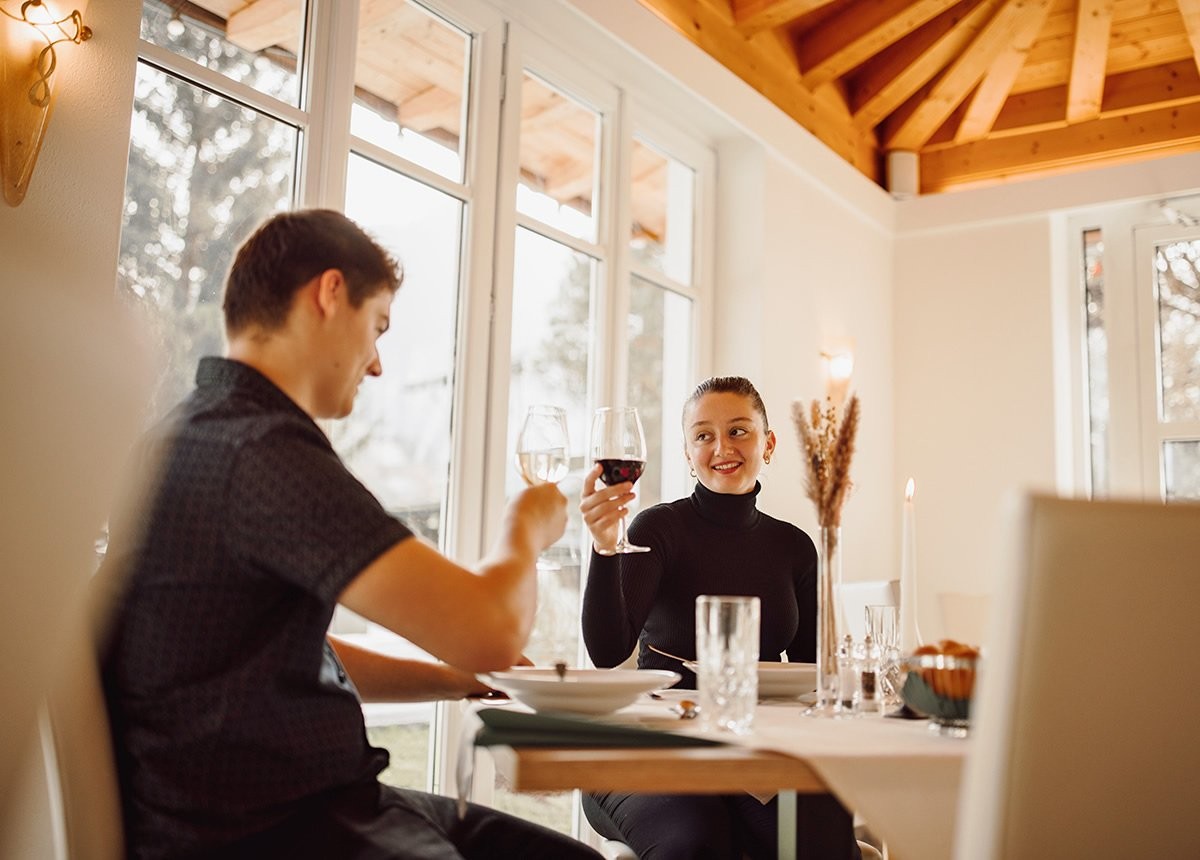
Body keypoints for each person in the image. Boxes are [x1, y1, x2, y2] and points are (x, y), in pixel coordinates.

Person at [98, 209, 602, 860]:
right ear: (330, 293)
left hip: (298, 811)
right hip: (279, 834)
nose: (377, 365)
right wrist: (527, 523)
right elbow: (494, 630)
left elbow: (278, 649)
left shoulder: (181, 434)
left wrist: (453, 678)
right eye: (378, 327)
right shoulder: (263, 451)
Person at [578, 376, 860, 859]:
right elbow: (607, 653)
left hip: (755, 749)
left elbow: (817, 676)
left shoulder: (794, 547)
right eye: (703, 435)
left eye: (738, 431)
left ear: (767, 443)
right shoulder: (658, 528)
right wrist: (605, 548)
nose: (721, 447)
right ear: (688, 452)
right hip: (652, 748)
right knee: (698, 844)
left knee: (821, 839)